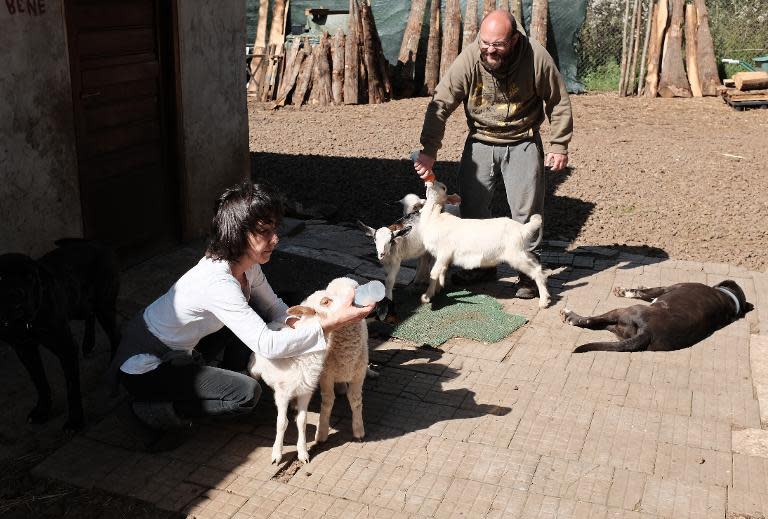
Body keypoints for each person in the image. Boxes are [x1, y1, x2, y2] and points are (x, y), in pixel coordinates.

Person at [110, 181, 373, 450]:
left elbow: (277, 308)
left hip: (186, 346)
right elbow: (266, 344)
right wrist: (330, 323)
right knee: (245, 394)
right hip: (145, 365)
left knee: (290, 305)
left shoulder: (246, 266)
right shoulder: (218, 282)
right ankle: (150, 411)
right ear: (238, 233)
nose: (275, 239)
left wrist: (300, 321)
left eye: (275, 229)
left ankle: (221, 372)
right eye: (265, 232)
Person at [413, 10, 573, 298]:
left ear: (513, 39)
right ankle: (480, 266)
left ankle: (527, 273)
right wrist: (428, 150)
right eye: (485, 42)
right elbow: (441, 102)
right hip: (481, 140)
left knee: (526, 212)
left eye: (497, 44)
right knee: (473, 208)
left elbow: (558, 100)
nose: (489, 49)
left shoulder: (536, 57)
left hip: (522, 140)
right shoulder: (470, 58)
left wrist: (559, 144)